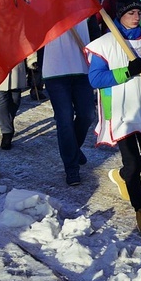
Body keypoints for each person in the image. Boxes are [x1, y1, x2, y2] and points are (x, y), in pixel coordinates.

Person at [85, 0, 141, 233]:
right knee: (133, 161)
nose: (136, 17)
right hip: (122, 112)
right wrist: (126, 71)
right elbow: (95, 78)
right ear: (120, 15)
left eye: (138, 13)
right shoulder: (107, 43)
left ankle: (123, 175)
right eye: (131, 13)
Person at [43, 19, 99, 186]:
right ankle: (71, 166)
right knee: (65, 119)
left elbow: (95, 35)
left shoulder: (83, 6)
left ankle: (73, 149)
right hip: (54, 71)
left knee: (87, 114)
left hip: (82, 69)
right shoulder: (45, 8)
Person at [0, 59, 32, 150]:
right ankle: (7, 132)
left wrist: (32, 60)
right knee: (0, 99)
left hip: (15, 62)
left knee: (15, 99)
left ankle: (7, 123)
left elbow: (27, 45)